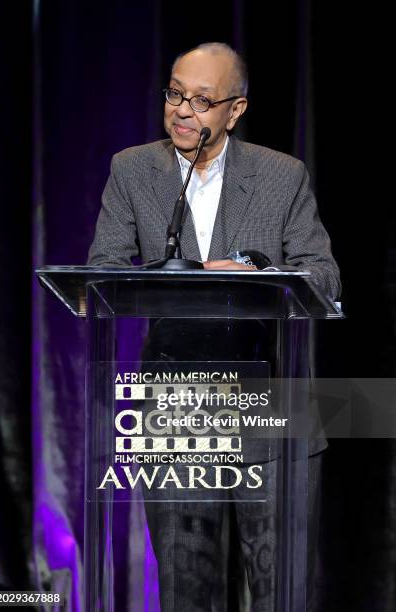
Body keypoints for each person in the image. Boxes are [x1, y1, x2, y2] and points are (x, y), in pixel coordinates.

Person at [88, 42, 341, 611]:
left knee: (281, 594)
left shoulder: (282, 176)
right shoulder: (133, 169)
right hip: (176, 409)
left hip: (273, 408)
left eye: (202, 101)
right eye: (175, 94)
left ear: (236, 109)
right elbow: (101, 272)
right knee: (186, 594)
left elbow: (323, 277)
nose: (183, 110)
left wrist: (251, 270)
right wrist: (184, 274)